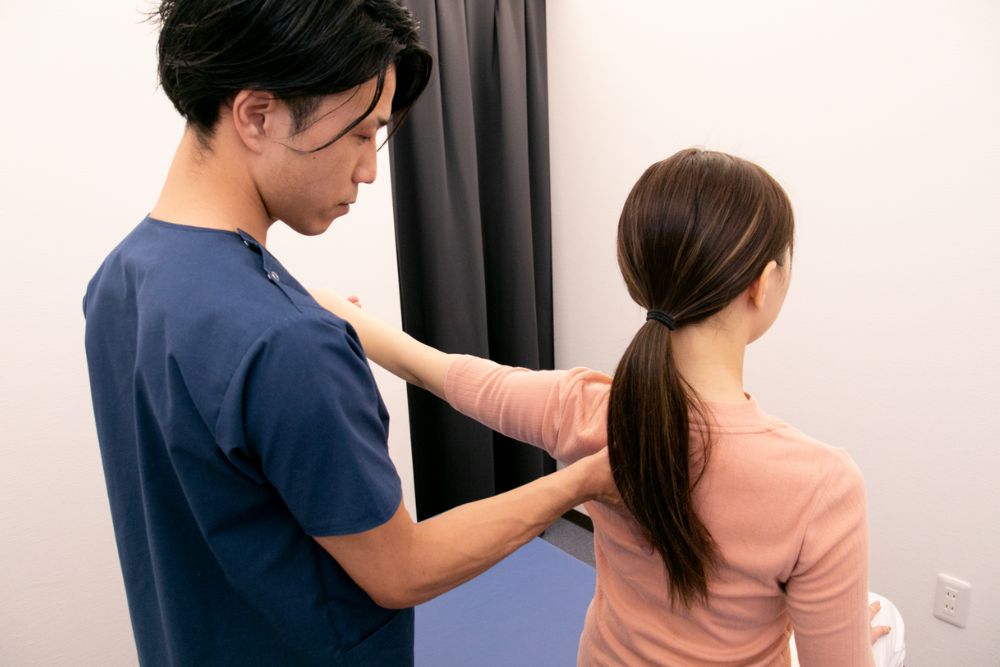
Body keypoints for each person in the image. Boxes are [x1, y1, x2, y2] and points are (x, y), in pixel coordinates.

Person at [82, 1, 618, 665]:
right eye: (361, 134)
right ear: (257, 115)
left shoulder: (122, 277)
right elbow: (404, 570)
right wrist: (582, 480)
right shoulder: (288, 342)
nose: (368, 169)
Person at [314, 148, 906, 666]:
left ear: (638, 273)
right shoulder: (821, 486)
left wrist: (323, 306)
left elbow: (430, 369)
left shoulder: (582, 409)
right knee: (889, 627)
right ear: (764, 282)